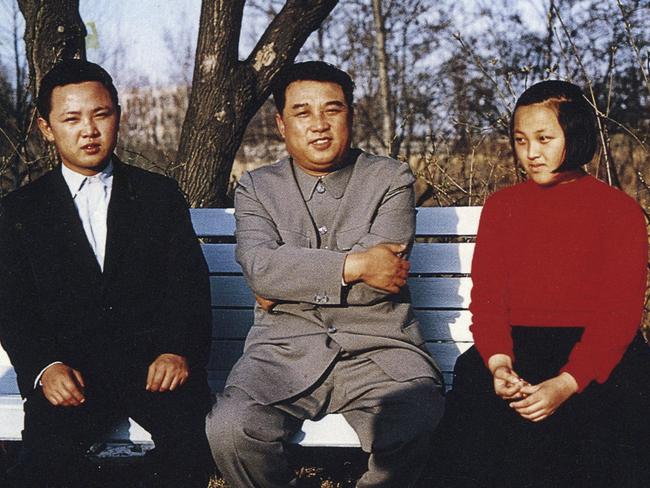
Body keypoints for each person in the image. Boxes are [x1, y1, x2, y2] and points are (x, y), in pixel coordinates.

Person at [205, 61, 445, 487]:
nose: (319, 125)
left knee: (417, 416)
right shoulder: (257, 187)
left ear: (350, 114)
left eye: (332, 110)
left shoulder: (391, 178)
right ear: (281, 123)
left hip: (379, 350)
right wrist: (355, 265)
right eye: (302, 112)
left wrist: (286, 283)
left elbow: (382, 283)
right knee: (230, 428)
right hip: (282, 352)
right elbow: (261, 270)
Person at [0, 59, 214, 487]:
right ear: (47, 128)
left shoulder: (157, 196)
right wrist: (45, 367)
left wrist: (177, 350)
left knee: (190, 450)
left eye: (101, 114)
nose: (89, 130)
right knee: (42, 465)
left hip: (154, 368)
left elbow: (188, 286)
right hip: (72, 373)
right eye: (72, 118)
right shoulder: (21, 210)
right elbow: (13, 304)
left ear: (118, 114)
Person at [433, 80, 650, 488]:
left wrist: (566, 383)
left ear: (577, 134)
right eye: (520, 140)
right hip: (516, 348)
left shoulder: (619, 211)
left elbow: (618, 317)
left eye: (544, 138)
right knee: (477, 402)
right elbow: (489, 300)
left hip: (596, 352)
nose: (531, 153)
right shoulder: (503, 208)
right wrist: (498, 364)